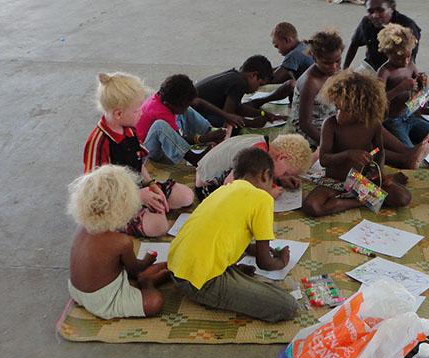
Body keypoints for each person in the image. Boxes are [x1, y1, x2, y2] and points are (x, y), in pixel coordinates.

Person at [168, 147, 298, 323]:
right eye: (272, 181)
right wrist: (282, 260)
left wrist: (258, 250)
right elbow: (265, 263)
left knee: (240, 263)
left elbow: (226, 235)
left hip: (177, 267)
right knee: (287, 305)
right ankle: (228, 280)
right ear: (265, 175)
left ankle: (232, 276)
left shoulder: (223, 190)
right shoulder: (263, 198)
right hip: (200, 282)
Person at [291, 29, 429, 168]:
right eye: (328, 63)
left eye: (338, 61)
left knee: (370, 122)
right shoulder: (311, 82)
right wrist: (327, 143)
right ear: (314, 58)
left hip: (335, 116)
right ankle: (402, 159)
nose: (334, 67)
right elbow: (305, 124)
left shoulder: (333, 71)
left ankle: (406, 151)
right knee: (355, 141)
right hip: (314, 129)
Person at [83, 72, 195, 237]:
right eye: (136, 111)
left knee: (186, 196)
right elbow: (96, 192)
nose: (141, 114)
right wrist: (138, 197)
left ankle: (150, 208)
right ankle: (126, 222)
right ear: (118, 114)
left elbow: (139, 162)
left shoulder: (129, 128)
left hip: (137, 188)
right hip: (115, 200)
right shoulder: (99, 142)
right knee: (158, 226)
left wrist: (151, 184)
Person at [301, 71, 412, 218]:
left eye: (343, 109)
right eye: (336, 108)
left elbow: (379, 150)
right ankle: (363, 200)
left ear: (360, 108)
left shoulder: (373, 124)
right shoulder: (331, 124)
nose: (337, 113)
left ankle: (361, 197)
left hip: (359, 180)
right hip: (335, 180)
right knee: (312, 206)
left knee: (403, 198)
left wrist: (379, 173)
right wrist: (348, 154)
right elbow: (324, 159)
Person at [66, 165, 170, 319]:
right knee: (155, 302)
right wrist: (149, 259)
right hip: (102, 300)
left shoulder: (82, 228)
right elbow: (135, 270)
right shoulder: (120, 241)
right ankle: (147, 283)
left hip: (76, 290)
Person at [376, 23, 429, 148]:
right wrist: (400, 88)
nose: (405, 61)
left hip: (409, 114)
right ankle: (394, 137)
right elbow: (378, 101)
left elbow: (419, 85)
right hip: (392, 120)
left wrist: (421, 80)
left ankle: (408, 135)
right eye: (399, 59)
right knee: (408, 149)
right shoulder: (384, 72)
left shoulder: (410, 65)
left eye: (408, 57)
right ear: (387, 53)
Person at [135, 74, 226, 165]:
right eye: (183, 107)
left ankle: (208, 131)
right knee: (160, 126)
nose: (185, 110)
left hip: (160, 140)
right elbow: (178, 139)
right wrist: (203, 139)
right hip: (149, 151)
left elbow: (185, 106)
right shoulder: (160, 112)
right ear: (168, 104)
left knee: (187, 111)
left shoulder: (164, 99)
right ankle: (192, 157)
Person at [194, 132, 313, 199]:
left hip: (205, 173)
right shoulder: (257, 154)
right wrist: (268, 194)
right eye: (286, 173)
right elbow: (229, 186)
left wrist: (280, 179)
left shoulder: (263, 144)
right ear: (282, 158)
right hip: (207, 189)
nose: (285, 175)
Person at [342, 0, 422, 71]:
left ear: (392, 8)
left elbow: (410, 57)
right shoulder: (367, 23)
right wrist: (345, 69)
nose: (375, 15)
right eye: (370, 11)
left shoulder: (407, 26)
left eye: (380, 10)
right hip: (372, 66)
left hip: (399, 68)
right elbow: (354, 44)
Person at [193, 55, 284, 128]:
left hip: (197, 110)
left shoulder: (234, 75)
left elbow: (238, 107)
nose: (257, 89)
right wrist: (252, 123)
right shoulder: (239, 83)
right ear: (253, 75)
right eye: (259, 84)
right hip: (194, 115)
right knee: (232, 128)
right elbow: (228, 117)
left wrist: (263, 113)